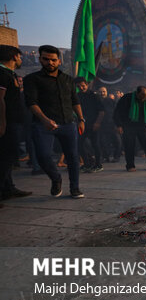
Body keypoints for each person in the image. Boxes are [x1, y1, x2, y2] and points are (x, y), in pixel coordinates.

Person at [23, 45, 85, 199]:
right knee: (43, 155)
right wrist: (44, 120)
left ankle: (75, 188)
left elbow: (74, 101)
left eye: (53, 60)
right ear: (40, 59)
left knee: (72, 156)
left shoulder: (68, 80)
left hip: (68, 123)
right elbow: (31, 102)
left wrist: (81, 119)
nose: (50, 62)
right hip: (43, 124)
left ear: (59, 61)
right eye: (46, 59)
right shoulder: (32, 79)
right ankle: (56, 178)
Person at [0, 45, 32, 204]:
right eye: (19, 57)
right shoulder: (2, 74)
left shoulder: (9, 73)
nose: (20, 60)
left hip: (14, 121)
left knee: (9, 157)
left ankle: (8, 188)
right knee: (7, 157)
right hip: (8, 122)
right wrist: (2, 122)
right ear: (14, 57)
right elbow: (0, 99)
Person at [113, 86, 146, 171]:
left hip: (143, 126)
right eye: (142, 95)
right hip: (129, 125)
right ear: (137, 93)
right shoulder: (127, 98)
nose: (144, 97)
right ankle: (130, 166)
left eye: (145, 95)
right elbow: (117, 112)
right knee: (129, 146)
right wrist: (119, 125)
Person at [75, 77, 104, 172]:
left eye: (83, 86)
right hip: (83, 124)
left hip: (93, 123)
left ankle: (98, 165)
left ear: (87, 85)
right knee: (79, 144)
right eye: (79, 86)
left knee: (95, 144)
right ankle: (87, 164)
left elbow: (101, 111)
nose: (81, 88)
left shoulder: (94, 95)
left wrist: (97, 123)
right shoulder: (77, 96)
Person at [98, 86, 121, 162]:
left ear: (106, 92)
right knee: (103, 141)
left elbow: (117, 112)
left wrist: (118, 124)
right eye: (100, 92)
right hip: (102, 124)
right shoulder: (96, 101)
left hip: (112, 123)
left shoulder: (111, 101)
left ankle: (116, 156)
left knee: (116, 140)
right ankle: (105, 156)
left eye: (104, 91)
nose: (102, 93)